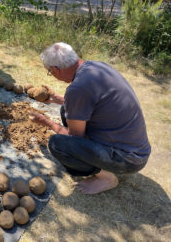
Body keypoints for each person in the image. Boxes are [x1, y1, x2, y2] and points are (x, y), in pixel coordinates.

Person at [30, 42, 151, 194]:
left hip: (127, 159)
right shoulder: (96, 67)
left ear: (56, 69)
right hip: (137, 149)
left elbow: (74, 138)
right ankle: (97, 155)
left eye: (50, 72)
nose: (51, 75)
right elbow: (89, 100)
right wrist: (54, 98)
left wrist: (46, 122)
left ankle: (106, 177)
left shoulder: (77, 88)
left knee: (57, 144)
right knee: (66, 109)